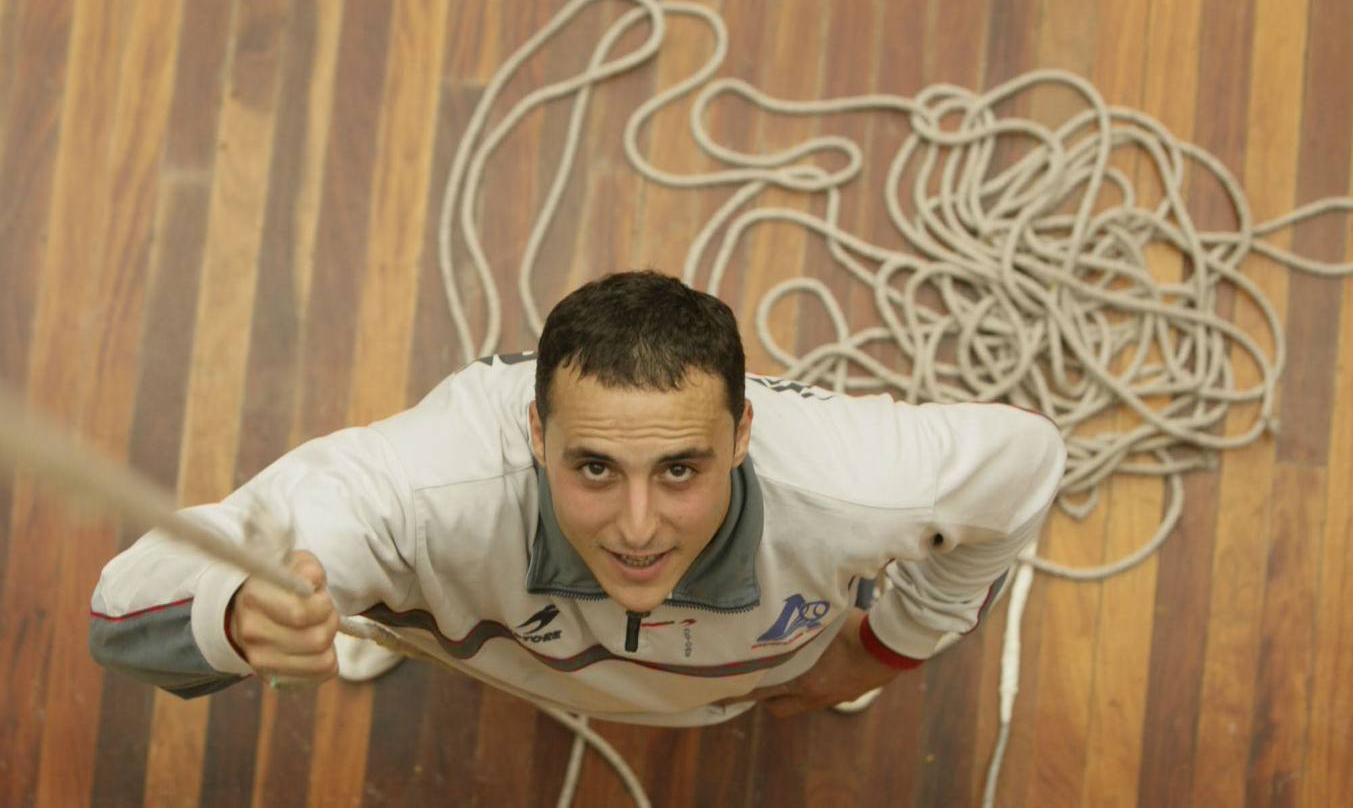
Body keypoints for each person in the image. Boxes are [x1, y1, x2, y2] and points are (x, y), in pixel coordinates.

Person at [89, 270, 1065, 725]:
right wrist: (230, 612)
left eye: (681, 468)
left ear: (743, 437)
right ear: (533, 436)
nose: (638, 528)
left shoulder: (857, 483)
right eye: (593, 466)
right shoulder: (424, 492)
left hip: (758, 682)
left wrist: (889, 645)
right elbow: (122, 615)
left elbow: (1026, 465)